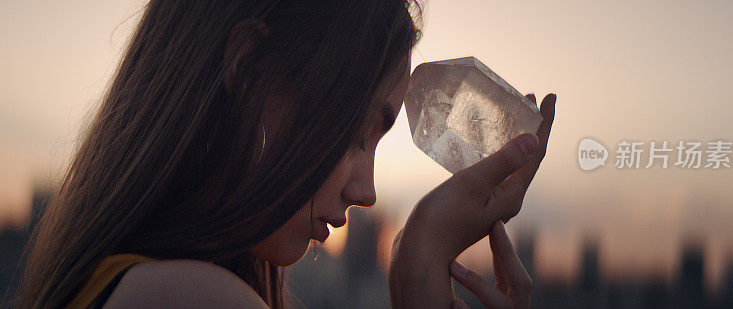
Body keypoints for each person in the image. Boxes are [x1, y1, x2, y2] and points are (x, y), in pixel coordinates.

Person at [12, 0, 556, 308]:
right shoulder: (194, 300)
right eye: (353, 134)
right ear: (249, 74)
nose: (365, 191)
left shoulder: (117, 283)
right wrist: (422, 259)